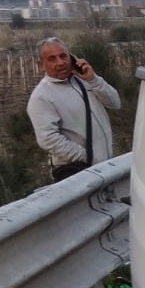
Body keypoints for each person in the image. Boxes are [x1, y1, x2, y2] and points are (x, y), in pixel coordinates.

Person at [27, 36, 121, 180]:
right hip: (79, 172)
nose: (60, 62)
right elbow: (48, 139)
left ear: (71, 57)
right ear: (41, 65)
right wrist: (86, 157)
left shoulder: (85, 80)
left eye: (63, 56)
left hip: (105, 166)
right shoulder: (41, 97)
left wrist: (93, 79)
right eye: (52, 59)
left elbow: (115, 102)